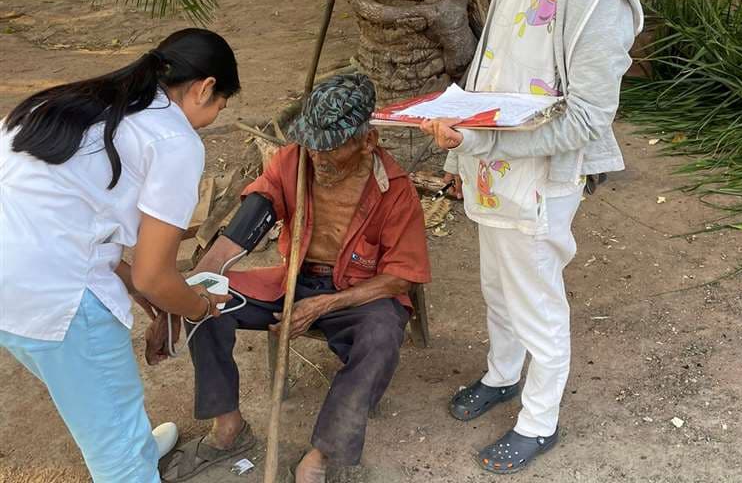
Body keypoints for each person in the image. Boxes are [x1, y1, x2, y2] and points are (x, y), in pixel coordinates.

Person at [420, 0, 643, 474]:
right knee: (498, 286)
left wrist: (482, 142)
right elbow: (487, 68)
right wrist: (461, 158)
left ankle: (539, 422)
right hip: (490, 170)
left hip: (541, 179)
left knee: (537, 303)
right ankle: (502, 375)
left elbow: (587, 117)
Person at [155, 74, 431, 483]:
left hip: (356, 296)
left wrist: (324, 304)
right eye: (313, 144)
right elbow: (254, 213)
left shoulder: (394, 191)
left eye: (331, 147)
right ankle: (229, 429)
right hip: (290, 282)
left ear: (367, 141)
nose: (318, 158)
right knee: (202, 302)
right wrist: (200, 276)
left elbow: (401, 279)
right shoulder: (295, 160)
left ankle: (322, 456)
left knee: (382, 335)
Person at [0, 28, 240, 482]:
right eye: (220, 105)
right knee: (116, 448)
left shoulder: (63, 101)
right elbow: (156, 277)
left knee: (86, 393)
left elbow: (53, 209)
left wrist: (125, 274)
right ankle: (130, 459)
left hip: (11, 284)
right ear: (205, 87)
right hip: (59, 298)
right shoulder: (174, 140)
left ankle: (133, 442)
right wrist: (199, 306)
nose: (211, 118)